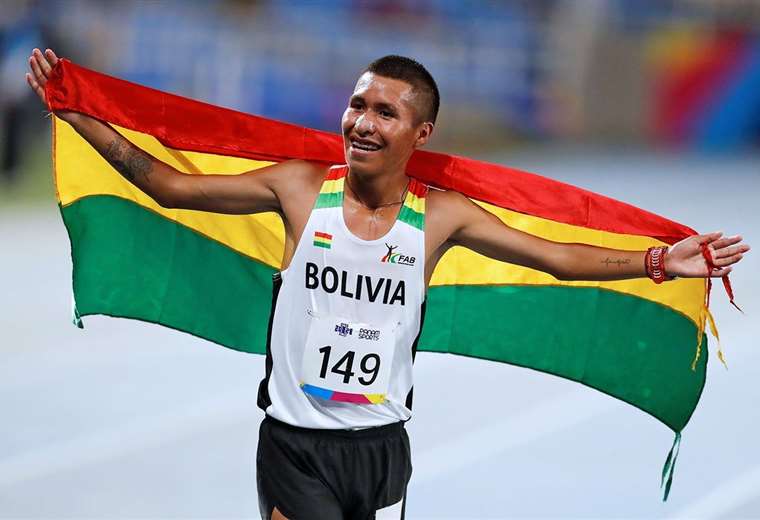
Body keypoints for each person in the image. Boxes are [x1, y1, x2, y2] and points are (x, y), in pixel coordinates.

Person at [27, 48, 749, 520]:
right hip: (295, 444)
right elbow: (168, 185)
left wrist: (662, 263)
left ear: (421, 132)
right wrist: (77, 111)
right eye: (357, 105)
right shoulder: (301, 191)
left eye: (384, 112)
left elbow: (557, 257)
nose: (361, 122)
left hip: (380, 449)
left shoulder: (438, 219)